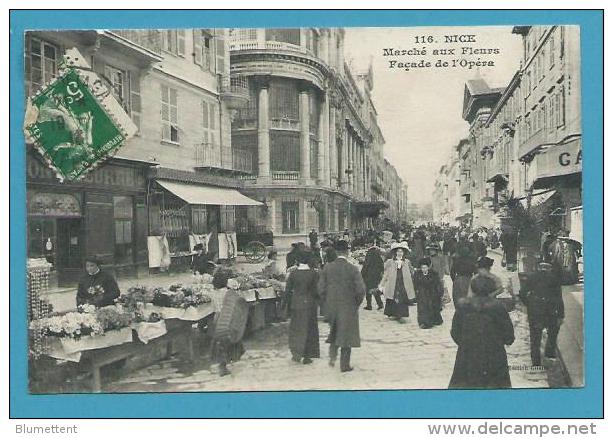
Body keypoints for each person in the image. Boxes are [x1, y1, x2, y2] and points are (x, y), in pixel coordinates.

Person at [449, 275, 515, 388]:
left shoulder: (463, 305)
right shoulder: (498, 307)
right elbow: (508, 334)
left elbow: (455, 332)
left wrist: (466, 342)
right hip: (494, 354)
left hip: (468, 354)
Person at [318, 240, 366, 372]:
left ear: (336, 252)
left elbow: (320, 289)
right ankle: (344, 365)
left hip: (332, 307)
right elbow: (361, 290)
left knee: (334, 330)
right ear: (347, 251)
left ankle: (332, 356)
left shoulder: (327, 267)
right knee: (346, 335)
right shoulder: (353, 269)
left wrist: (326, 304)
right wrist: (355, 304)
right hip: (348, 307)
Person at [520, 262, 564, 366]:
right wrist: (561, 315)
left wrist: (529, 304)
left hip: (536, 312)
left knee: (535, 337)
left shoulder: (532, 277)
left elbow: (522, 293)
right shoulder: (554, 278)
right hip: (551, 312)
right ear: (549, 268)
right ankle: (549, 355)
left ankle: (536, 362)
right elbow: (559, 298)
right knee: (552, 334)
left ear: (539, 268)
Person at [285, 250, 320, 364]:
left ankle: (296, 353)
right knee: (309, 329)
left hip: (296, 304)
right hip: (310, 304)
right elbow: (316, 291)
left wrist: (287, 304)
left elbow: (288, 291)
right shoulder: (313, 273)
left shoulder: (293, 274)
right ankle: (307, 355)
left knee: (296, 329)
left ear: (297, 261)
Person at [380, 242, 416, 322]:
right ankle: (392, 313)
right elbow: (385, 272)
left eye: (401, 251)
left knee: (402, 298)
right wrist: (382, 284)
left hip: (403, 283)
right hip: (393, 283)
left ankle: (401, 314)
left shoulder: (407, 262)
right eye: (398, 251)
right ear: (395, 252)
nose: (400, 253)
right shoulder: (390, 261)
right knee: (392, 297)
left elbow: (411, 271)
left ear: (404, 253)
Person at [413, 257, 444, 329]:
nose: (424, 269)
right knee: (422, 309)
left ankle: (433, 320)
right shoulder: (417, 274)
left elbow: (437, 284)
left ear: (428, 267)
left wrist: (438, 293)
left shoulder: (433, 274)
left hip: (431, 293)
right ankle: (424, 322)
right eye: (422, 268)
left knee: (431, 307)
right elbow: (415, 284)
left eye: (425, 267)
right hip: (422, 294)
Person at [361, 246, 385, 311]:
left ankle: (369, 305)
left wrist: (362, 274)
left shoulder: (369, 254)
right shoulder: (378, 256)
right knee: (374, 289)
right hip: (376, 276)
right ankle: (380, 304)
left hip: (369, 275)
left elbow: (366, 265)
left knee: (368, 290)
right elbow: (382, 266)